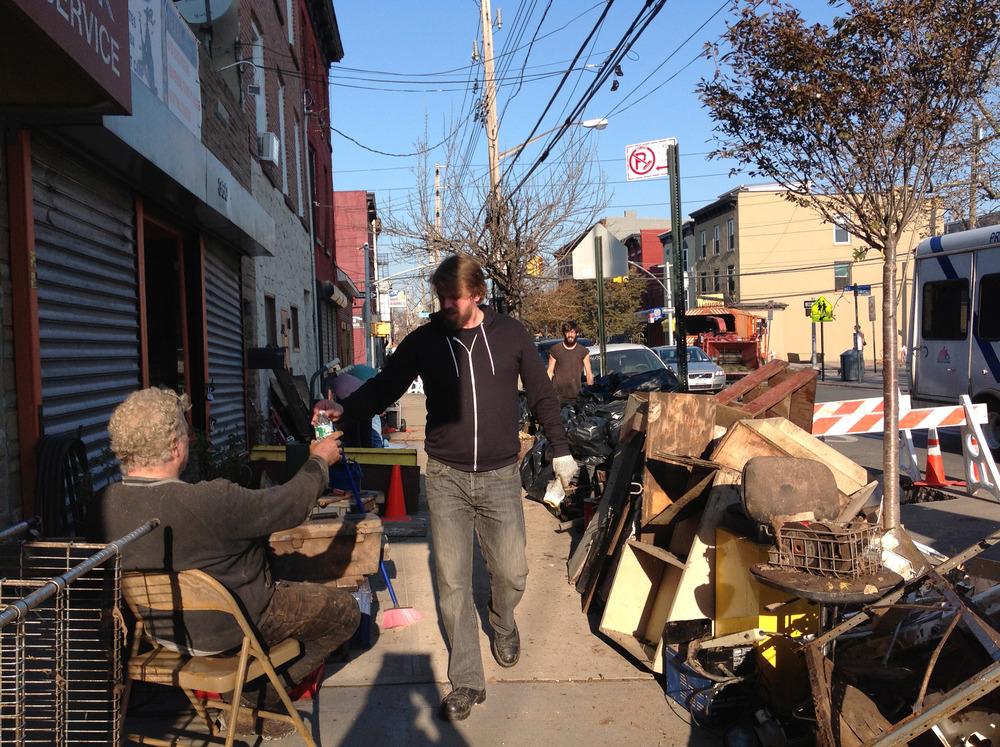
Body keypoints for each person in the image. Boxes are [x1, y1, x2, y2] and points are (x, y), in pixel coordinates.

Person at [313, 253, 577, 722]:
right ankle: (467, 681)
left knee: (513, 571)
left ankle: (502, 620)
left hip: (498, 475)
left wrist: (560, 449)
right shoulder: (426, 340)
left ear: (477, 294)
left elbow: (541, 394)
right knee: (452, 582)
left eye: (452, 298)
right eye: (441, 298)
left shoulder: (512, 334)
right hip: (446, 476)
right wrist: (346, 411)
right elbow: (387, 387)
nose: (445, 305)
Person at [94, 387, 360, 740]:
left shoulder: (105, 504)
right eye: (185, 432)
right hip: (233, 628)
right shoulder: (210, 500)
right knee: (345, 611)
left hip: (161, 632)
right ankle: (252, 697)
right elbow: (289, 504)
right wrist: (318, 461)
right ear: (175, 446)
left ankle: (248, 696)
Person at [546, 320, 594, 406]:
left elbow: (589, 372)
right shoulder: (555, 350)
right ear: (564, 333)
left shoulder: (583, 352)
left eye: (572, 332)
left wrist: (590, 389)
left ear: (577, 333)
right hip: (558, 394)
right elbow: (549, 371)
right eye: (567, 332)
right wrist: (545, 390)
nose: (570, 335)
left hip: (576, 394)